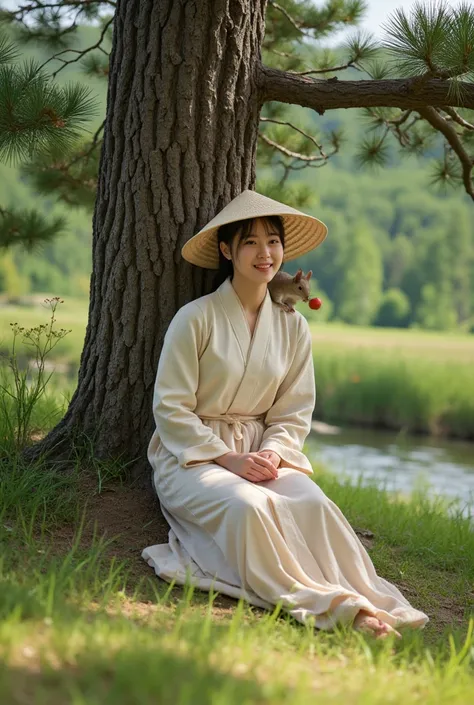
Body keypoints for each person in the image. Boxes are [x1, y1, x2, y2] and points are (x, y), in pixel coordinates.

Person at [142, 189, 429, 639]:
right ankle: (335, 610)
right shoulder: (194, 318)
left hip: (263, 453)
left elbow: (294, 412)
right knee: (249, 507)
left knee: (314, 504)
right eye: (251, 242)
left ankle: (364, 598)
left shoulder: (294, 327)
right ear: (226, 250)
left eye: (273, 241)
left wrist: (275, 453)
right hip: (192, 457)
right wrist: (227, 459)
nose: (265, 253)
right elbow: (170, 408)